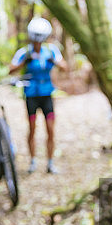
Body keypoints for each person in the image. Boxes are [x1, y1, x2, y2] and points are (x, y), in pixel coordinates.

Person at [9, 17, 68, 174]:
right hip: (31, 95)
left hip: (46, 95)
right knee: (32, 128)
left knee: (50, 129)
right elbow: (11, 69)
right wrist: (24, 62)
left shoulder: (51, 51)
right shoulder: (25, 52)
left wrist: (54, 60)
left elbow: (64, 67)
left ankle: (50, 163)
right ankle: (33, 161)